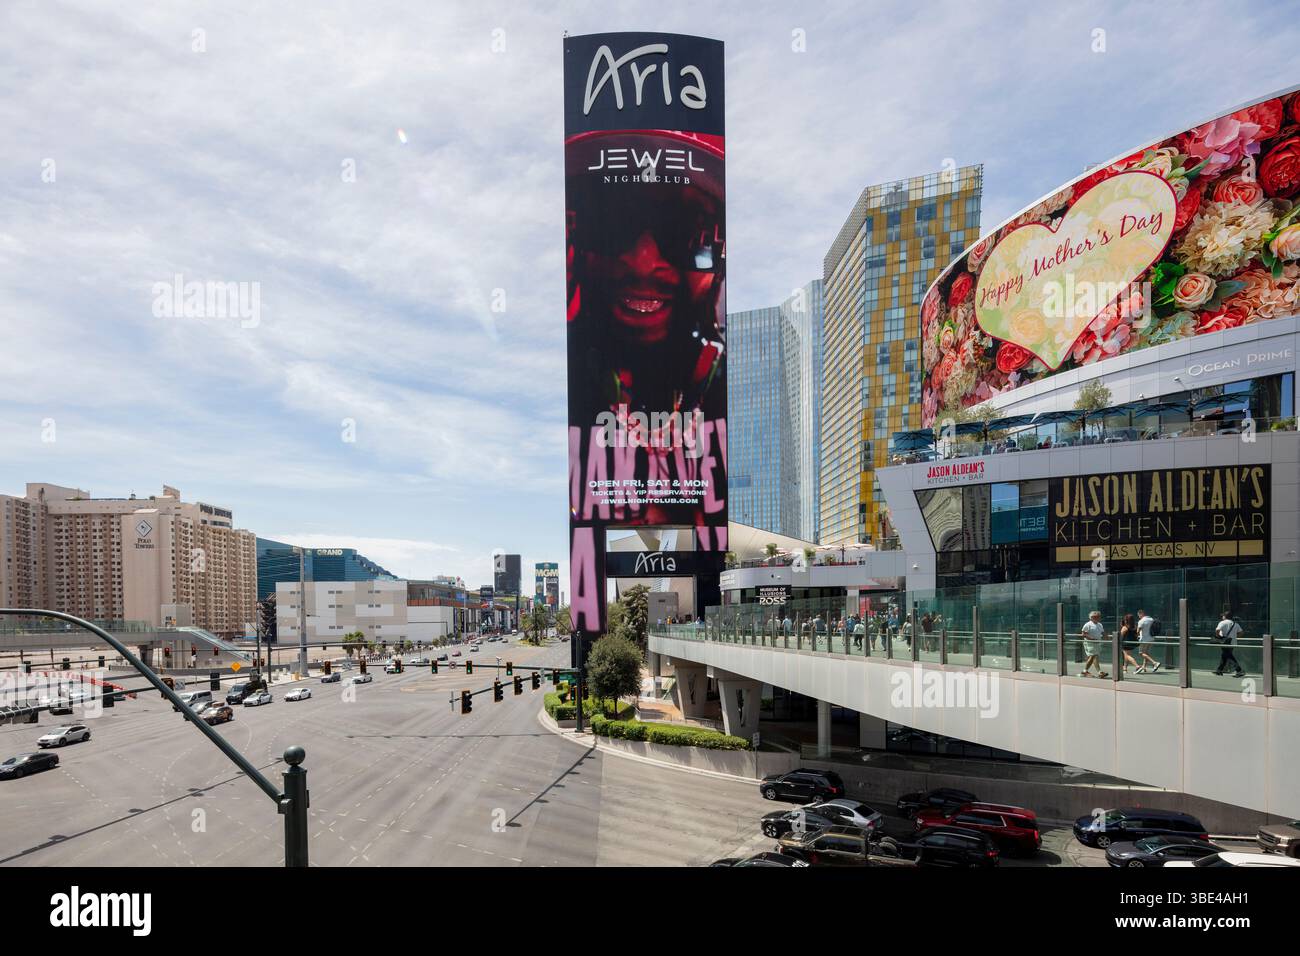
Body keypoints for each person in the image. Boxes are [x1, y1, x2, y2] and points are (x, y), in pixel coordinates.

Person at [1213, 611, 1245, 678]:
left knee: (1229, 656)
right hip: (1232, 643)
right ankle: (1219, 670)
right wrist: (1234, 637)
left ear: (1225, 616)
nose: (1222, 617)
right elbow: (1241, 633)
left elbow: (1217, 630)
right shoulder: (1235, 624)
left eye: (1223, 616)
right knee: (1225, 655)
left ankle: (1239, 670)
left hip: (1224, 642)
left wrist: (1219, 637)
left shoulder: (1222, 622)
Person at [1080, 610, 1107, 678]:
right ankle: (1085, 671)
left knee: (1095, 657)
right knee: (1093, 656)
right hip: (1090, 643)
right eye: (1096, 617)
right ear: (1091, 617)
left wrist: (1107, 638)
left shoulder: (1100, 624)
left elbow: (1102, 633)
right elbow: (1083, 634)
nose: (1098, 618)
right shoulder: (1088, 624)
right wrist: (1091, 639)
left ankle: (1098, 672)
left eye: (1099, 616)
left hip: (1097, 643)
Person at [1135, 608, 1161, 674]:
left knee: (1141, 653)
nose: (1139, 617)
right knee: (1146, 653)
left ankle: (1155, 663)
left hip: (1144, 639)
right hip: (1151, 638)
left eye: (1139, 615)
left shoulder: (1141, 621)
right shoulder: (1151, 619)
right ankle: (1144, 667)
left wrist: (1135, 637)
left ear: (1141, 614)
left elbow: (1138, 631)